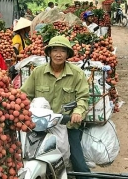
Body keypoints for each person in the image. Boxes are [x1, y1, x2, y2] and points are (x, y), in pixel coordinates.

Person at [21, 35, 91, 179]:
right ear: (49, 53)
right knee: (23, 155)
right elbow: (24, 95)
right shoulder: (38, 72)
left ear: (67, 54)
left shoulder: (77, 74)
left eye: (63, 51)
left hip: (67, 124)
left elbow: (83, 98)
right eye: (55, 50)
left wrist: (77, 112)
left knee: (78, 163)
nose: (58, 54)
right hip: (39, 125)